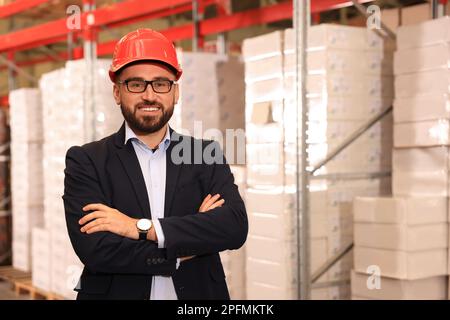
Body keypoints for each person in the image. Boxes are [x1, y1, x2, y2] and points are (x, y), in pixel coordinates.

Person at [63, 28, 248, 300]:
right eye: (136, 84)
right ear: (117, 92)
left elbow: (233, 227)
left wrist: (137, 227)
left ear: (176, 92)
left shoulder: (204, 153)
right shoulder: (87, 160)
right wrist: (189, 245)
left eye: (161, 83)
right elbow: (97, 250)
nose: (149, 95)